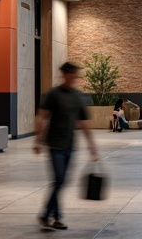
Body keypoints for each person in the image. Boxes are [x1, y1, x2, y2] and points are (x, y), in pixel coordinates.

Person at [34, 62, 99, 230]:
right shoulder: (53, 95)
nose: (74, 78)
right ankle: (50, 215)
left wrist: (92, 146)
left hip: (70, 145)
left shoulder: (78, 96)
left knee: (61, 181)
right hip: (54, 144)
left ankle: (52, 216)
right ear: (64, 74)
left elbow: (84, 123)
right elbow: (42, 116)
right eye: (72, 75)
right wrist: (37, 140)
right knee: (60, 179)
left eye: (76, 75)